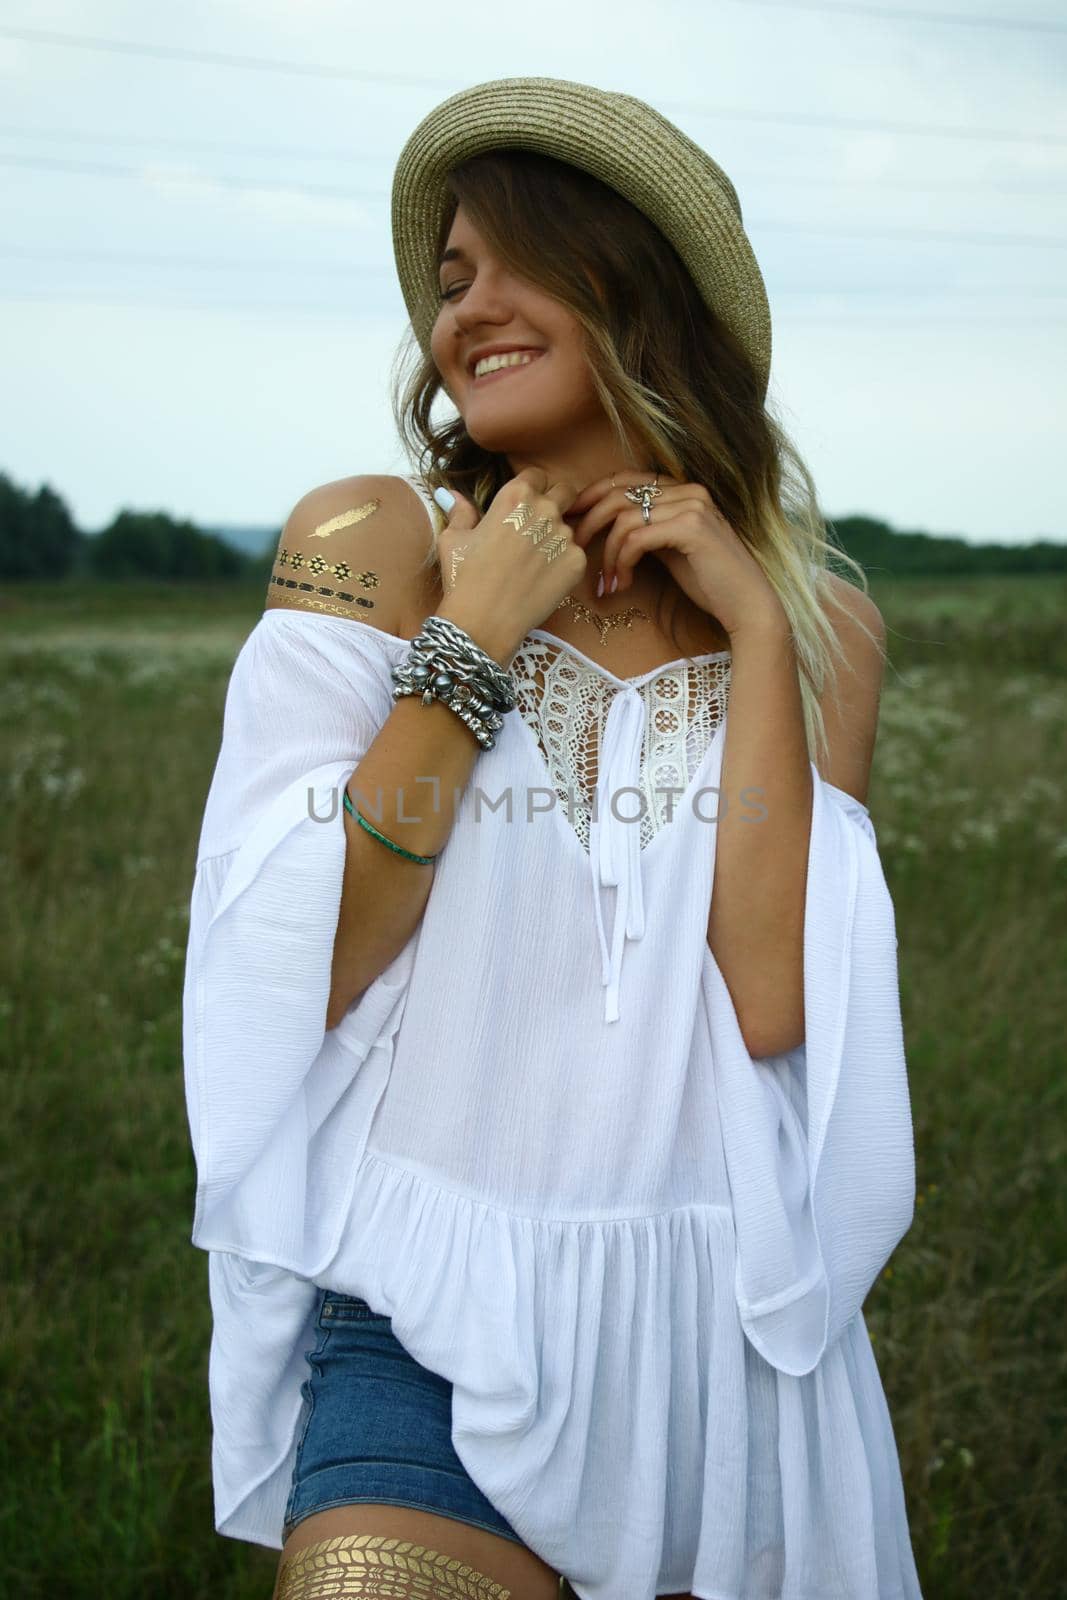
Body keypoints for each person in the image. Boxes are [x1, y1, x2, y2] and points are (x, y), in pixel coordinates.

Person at [181, 76, 923, 1600]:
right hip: (422, 1315)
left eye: (518, 262)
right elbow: (300, 965)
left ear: (637, 288)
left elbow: (772, 1001)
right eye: (450, 281)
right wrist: (471, 644)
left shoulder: (822, 625)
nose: (469, 309)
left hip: (721, 1353)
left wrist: (762, 640)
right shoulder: (372, 543)